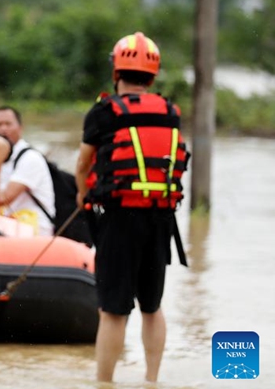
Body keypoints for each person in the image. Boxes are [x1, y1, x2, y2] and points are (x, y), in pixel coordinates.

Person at [74, 31, 189, 384]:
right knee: (152, 307)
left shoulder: (103, 112)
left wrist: (82, 196)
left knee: (113, 311)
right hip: (161, 218)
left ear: (116, 72)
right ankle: (152, 380)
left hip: (119, 219)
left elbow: (83, 165)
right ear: (152, 77)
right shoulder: (170, 112)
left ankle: (104, 382)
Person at [0, 106, 56, 236]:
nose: (3, 129)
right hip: (7, 223)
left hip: (34, 228)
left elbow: (1, 200)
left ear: (20, 127)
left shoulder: (30, 158)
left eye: (8, 124)